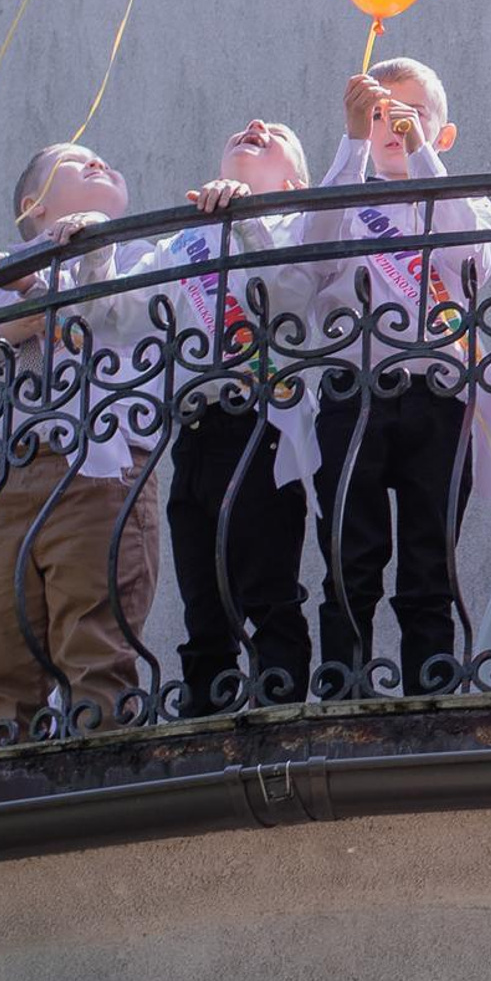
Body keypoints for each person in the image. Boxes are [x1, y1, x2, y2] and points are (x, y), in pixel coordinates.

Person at [310, 61, 491, 695]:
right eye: (380, 114)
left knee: (430, 558)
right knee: (350, 554)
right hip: (354, 395)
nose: (395, 124)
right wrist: (349, 144)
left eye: (413, 113)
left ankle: (430, 689)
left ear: (443, 135)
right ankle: (344, 686)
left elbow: (469, 252)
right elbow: (311, 253)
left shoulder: (466, 202)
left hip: (439, 397)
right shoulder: (346, 193)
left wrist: (420, 156)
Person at [0, 142, 161, 733]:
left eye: (102, 157)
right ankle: (5, 774)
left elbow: (109, 311)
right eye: (74, 161)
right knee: (1, 647)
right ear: (32, 206)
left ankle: (102, 771)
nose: (97, 160)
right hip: (9, 476)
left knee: (95, 635)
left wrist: (92, 246)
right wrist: (1, 330)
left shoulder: (140, 250)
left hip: (95, 468)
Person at [149, 119, 334, 715]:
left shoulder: (294, 224)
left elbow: (286, 295)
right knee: (202, 601)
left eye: (276, 132)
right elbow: (126, 315)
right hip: (195, 430)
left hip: (262, 426)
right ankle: (204, 718)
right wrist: (91, 247)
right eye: (243, 129)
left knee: (267, 591)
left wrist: (247, 219)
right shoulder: (183, 240)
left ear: (295, 179)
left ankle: (279, 713)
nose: (254, 127)